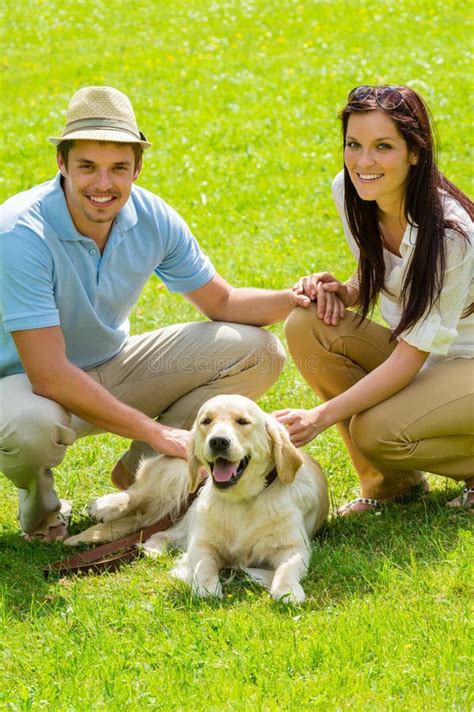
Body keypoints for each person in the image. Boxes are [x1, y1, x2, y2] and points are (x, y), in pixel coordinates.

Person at [0, 86, 311, 541]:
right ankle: (43, 514)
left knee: (257, 351)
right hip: (26, 385)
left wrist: (297, 296)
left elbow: (221, 302)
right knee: (29, 425)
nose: (102, 185)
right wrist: (158, 430)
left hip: (110, 363)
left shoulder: (151, 216)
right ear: (61, 165)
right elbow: (48, 374)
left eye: (118, 168)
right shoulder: (19, 233)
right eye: (87, 166)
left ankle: (143, 475)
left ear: (137, 168)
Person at [275, 85, 473, 514]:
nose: (363, 163)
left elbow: (410, 357)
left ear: (415, 153)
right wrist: (344, 291)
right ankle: (389, 484)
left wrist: (319, 416)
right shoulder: (351, 192)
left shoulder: (451, 235)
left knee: (376, 431)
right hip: (427, 355)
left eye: (383, 147)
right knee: (307, 323)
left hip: (464, 362)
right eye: (354, 144)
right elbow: (385, 270)